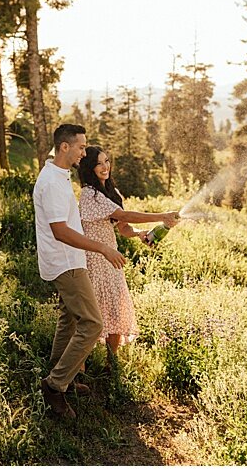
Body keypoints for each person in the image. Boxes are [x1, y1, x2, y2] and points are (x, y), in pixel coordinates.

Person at [34, 124, 124, 419]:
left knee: (69, 321)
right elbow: (60, 232)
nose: (84, 153)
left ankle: (66, 376)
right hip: (65, 261)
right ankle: (54, 385)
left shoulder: (60, 176)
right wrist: (103, 248)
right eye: (81, 147)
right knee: (92, 324)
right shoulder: (51, 182)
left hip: (72, 259)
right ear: (64, 147)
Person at [75, 146, 179, 375]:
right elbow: (123, 215)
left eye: (107, 161)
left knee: (115, 306)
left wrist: (139, 233)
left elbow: (123, 226)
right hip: (93, 256)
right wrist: (162, 215)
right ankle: (78, 371)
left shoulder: (112, 192)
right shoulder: (89, 194)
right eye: (100, 163)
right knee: (90, 314)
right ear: (89, 168)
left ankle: (111, 365)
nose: (105, 167)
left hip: (111, 256)